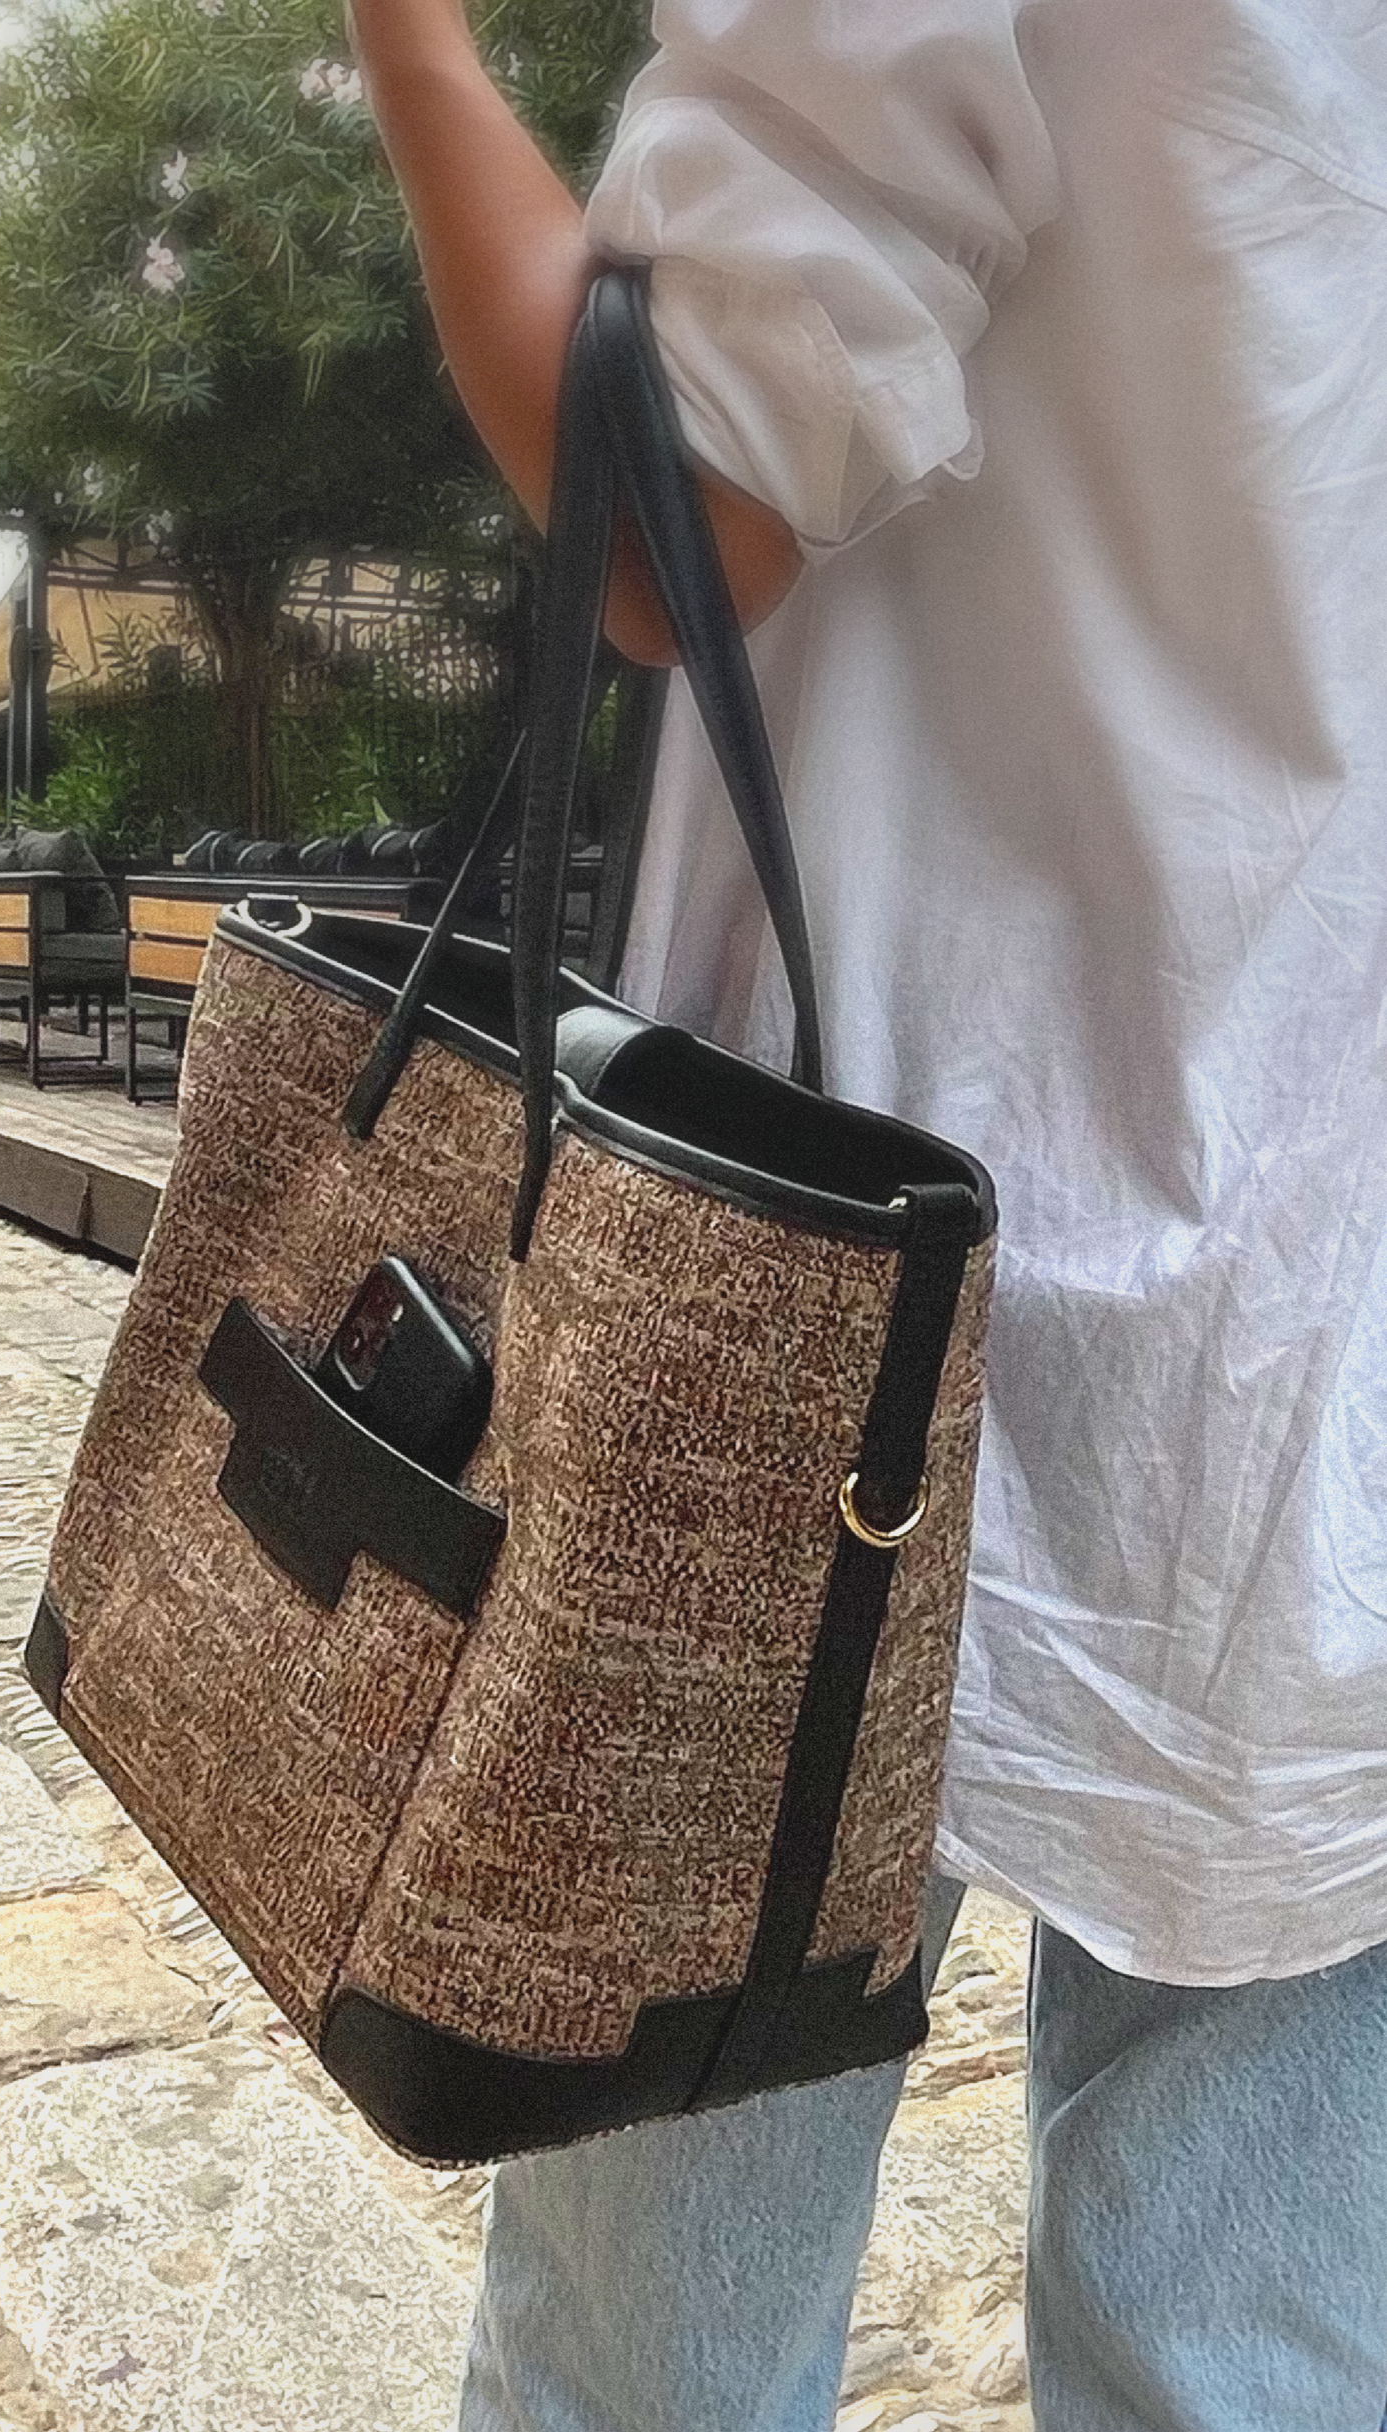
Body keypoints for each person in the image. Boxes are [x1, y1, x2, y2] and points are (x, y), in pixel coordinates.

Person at [345, 1, 1387, 2426]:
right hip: (1326, 1325)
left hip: (820, 1270)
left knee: (647, 2354)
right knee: (1250, 2349)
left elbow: (671, 511)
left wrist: (399, 35)